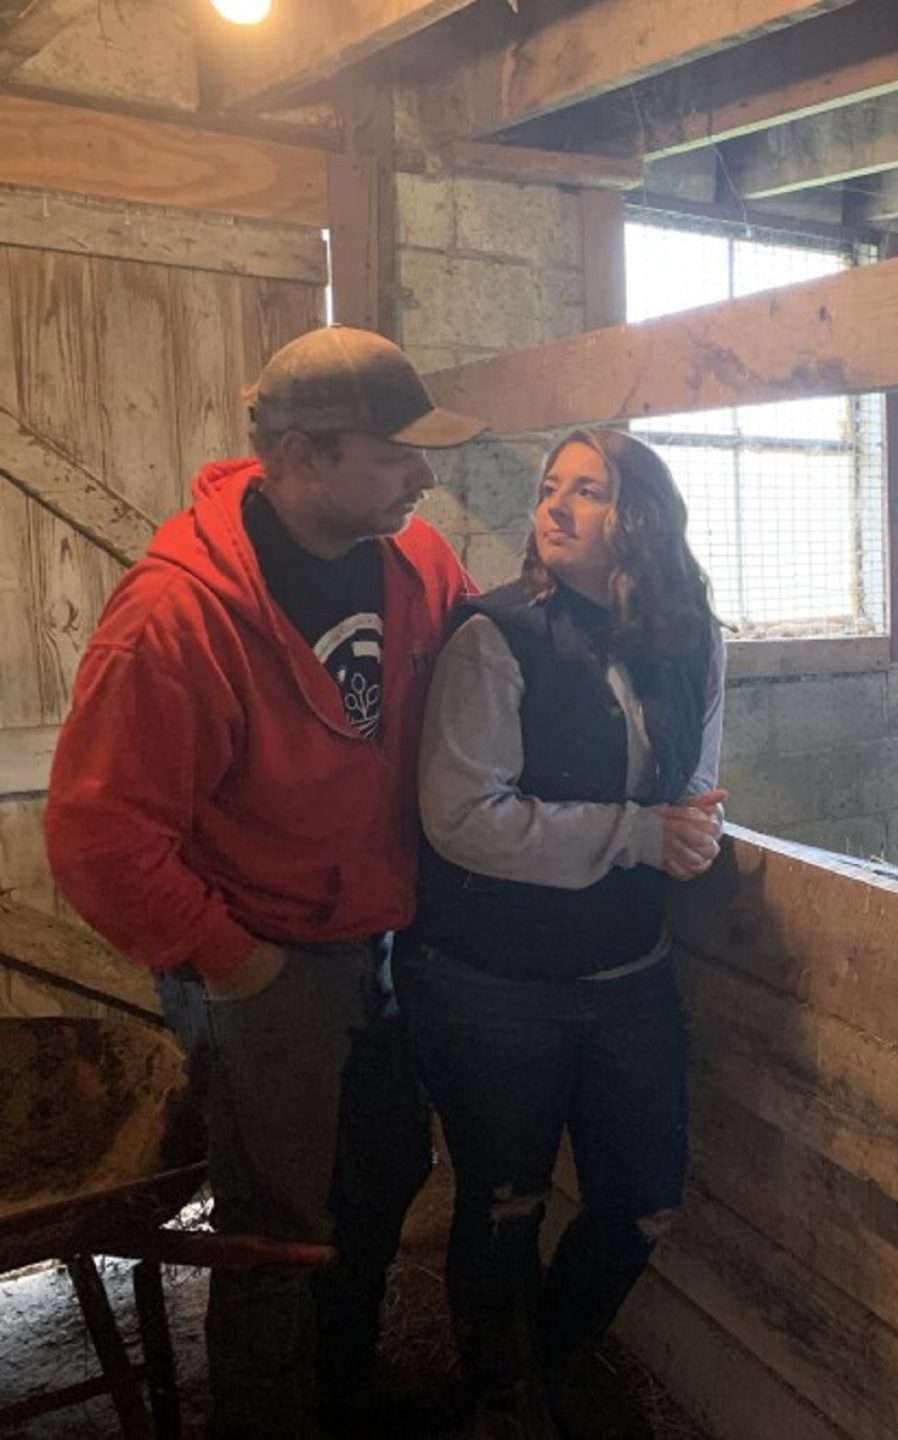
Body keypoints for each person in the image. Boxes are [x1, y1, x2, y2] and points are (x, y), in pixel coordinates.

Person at [42, 325, 487, 1438]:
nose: (422, 479)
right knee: (275, 1229)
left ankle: (342, 1387)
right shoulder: (176, 619)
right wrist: (236, 964)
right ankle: (264, 1416)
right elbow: (99, 837)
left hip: (385, 939)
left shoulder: (418, 563)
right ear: (299, 455)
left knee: (384, 1174)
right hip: (266, 957)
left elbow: (486, 678)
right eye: (395, 456)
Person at [398, 427, 726, 1436]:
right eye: (552, 488)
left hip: (630, 973)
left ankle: (547, 1359)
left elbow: (700, 784)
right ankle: (507, 1397)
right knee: (503, 1201)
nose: (558, 506)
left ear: (642, 518)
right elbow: (459, 816)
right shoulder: (496, 636)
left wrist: (697, 830)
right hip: (494, 979)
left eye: (591, 490)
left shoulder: (694, 639)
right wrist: (635, 837)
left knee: (642, 1203)